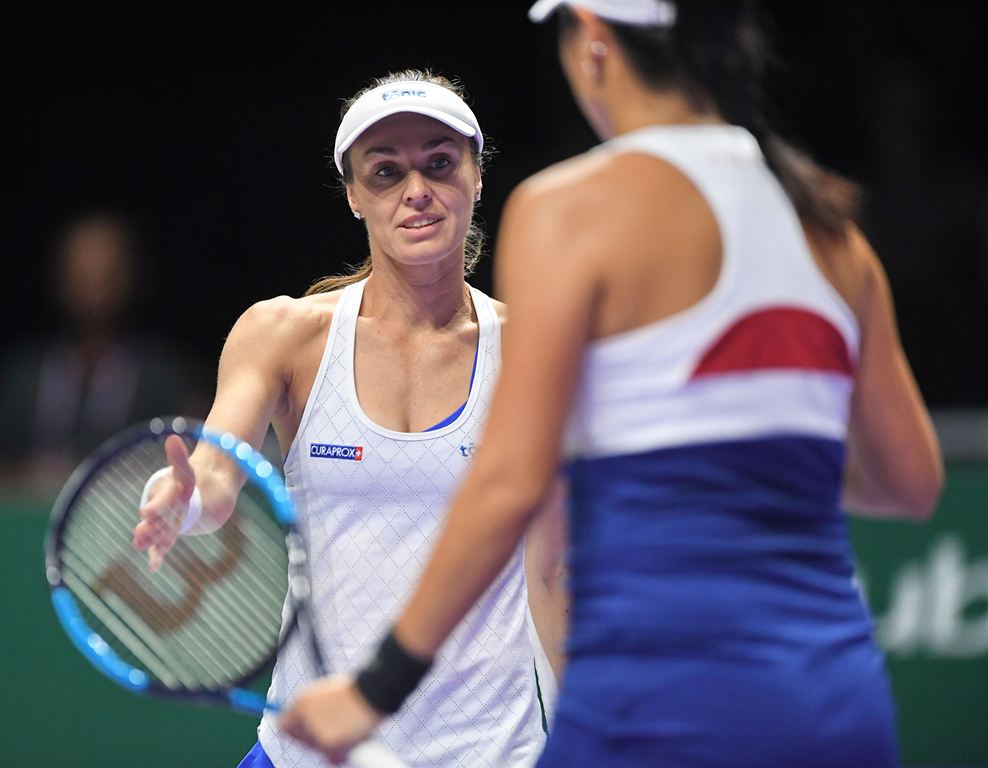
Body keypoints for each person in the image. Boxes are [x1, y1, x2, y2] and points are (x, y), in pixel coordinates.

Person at [277, 2, 944, 767]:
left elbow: (510, 483)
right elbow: (911, 483)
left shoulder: (570, 210)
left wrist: (373, 691)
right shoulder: (830, 228)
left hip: (654, 709)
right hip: (839, 702)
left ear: (593, 43)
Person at [133, 70, 566, 768]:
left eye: (439, 163)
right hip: (305, 753)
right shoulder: (282, 335)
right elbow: (213, 477)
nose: (416, 190)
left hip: (490, 751)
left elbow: (551, 571)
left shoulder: (533, 352)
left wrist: (586, 736)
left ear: (477, 177)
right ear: (354, 196)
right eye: (386, 172)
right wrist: (180, 498)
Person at [0, 212, 205, 494]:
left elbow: (190, 458)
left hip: (124, 514)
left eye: (107, 272)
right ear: (60, 277)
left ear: (132, 276)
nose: (94, 282)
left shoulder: (165, 377)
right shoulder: (23, 375)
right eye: (81, 272)